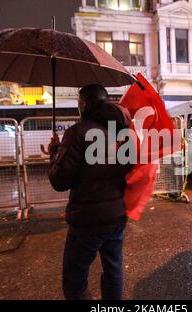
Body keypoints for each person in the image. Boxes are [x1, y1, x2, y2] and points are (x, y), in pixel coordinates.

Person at [46, 84, 132, 300]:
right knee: (113, 270)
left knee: (74, 282)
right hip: (117, 215)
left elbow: (60, 180)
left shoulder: (77, 133)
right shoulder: (120, 132)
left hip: (88, 220)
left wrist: (55, 152)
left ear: (83, 104)